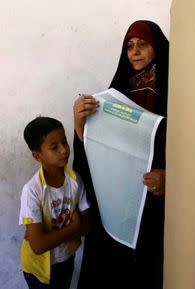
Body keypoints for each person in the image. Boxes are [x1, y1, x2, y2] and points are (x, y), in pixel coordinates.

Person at [72, 20, 168, 289]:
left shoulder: (177, 91)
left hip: (156, 205)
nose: (135, 52)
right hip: (116, 201)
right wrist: (80, 124)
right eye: (129, 46)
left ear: (157, 47)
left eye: (143, 44)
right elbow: (96, 147)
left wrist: (172, 176)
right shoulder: (116, 95)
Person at [19, 116, 90, 289]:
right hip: (38, 270)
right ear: (37, 156)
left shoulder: (75, 181)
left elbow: (87, 227)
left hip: (66, 259)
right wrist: (73, 228)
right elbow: (38, 246)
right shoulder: (32, 190)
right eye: (54, 147)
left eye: (64, 142)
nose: (64, 150)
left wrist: (49, 237)